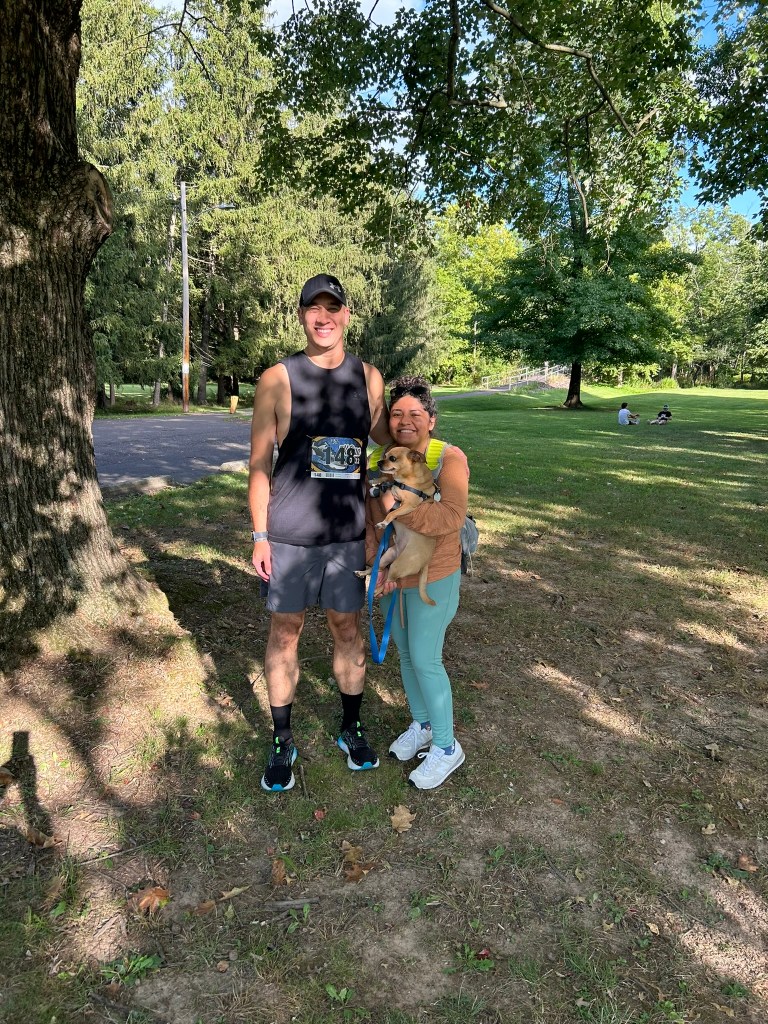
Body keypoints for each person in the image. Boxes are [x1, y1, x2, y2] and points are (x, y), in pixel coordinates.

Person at [248, 273, 391, 792]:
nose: (324, 316)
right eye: (314, 308)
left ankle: (350, 726)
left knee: (347, 629)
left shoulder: (369, 378)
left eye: (333, 307)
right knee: (285, 632)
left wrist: (422, 431)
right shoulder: (278, 380)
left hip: (348, 535)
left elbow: (385, 436)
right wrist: (260, 535)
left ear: (347, 316)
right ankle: (282, 738)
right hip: (288, 536)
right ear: (303, 315)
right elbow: (259, 466)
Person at [365, 376, 469, 790]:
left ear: (431, 419)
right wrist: (380, 567)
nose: (405, 420)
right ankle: (423, 725)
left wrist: (399, 509)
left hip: (434, 574)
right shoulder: (382, 456)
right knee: (406, 656)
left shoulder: (448, 458)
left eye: (415, 414)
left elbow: (450, 519)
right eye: (396, 413)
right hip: (395, 575)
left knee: (427, 659)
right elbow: (370, 520)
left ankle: (446, 748)